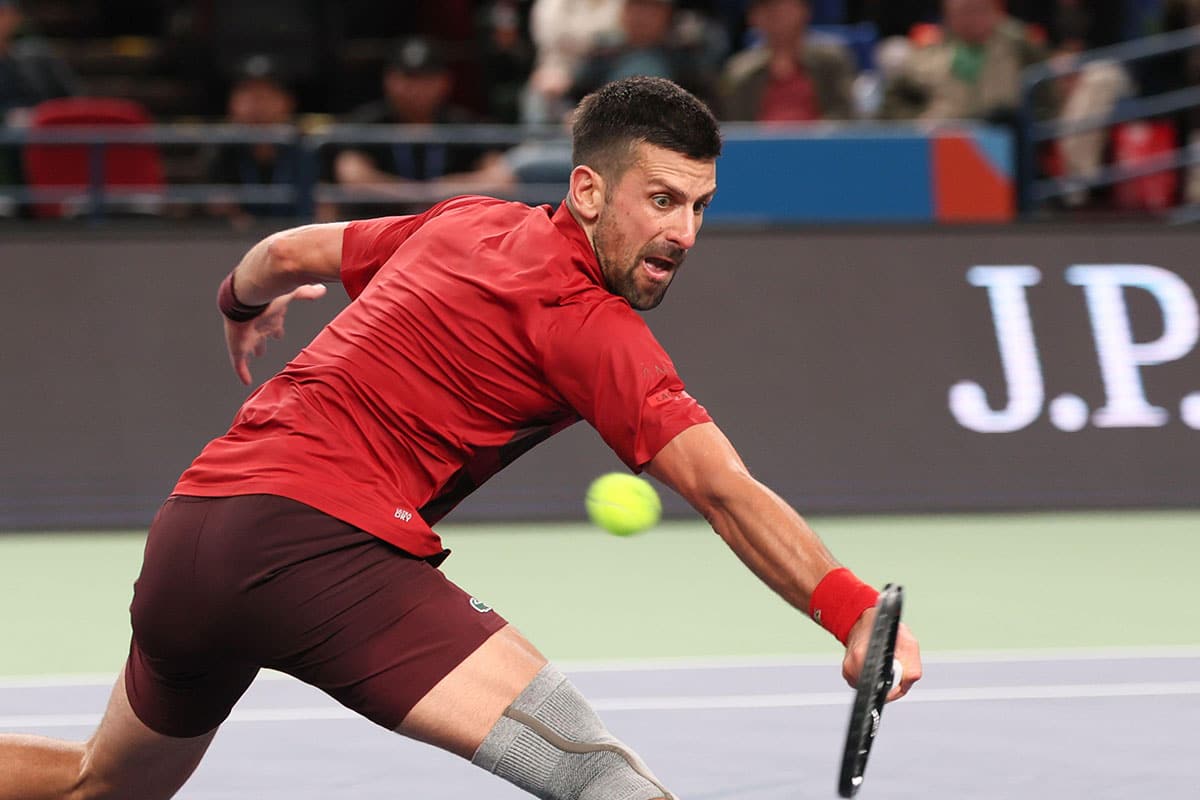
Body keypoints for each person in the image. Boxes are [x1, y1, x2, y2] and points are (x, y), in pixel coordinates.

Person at [0, 76, 921, 800]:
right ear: (589, 191)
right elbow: (723, 489)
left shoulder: (464, 221)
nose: (683, 231)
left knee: (101, 783)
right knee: (603, 781)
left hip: (192, 531)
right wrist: (850, 611)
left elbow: (282, 256)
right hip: (317, 546)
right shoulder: (589, 325)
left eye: (700, 206)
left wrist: (239, 304)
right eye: (662, 200)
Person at [202, 54, 304, 228]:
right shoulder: (220, 150)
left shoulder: (305, 149)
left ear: (288, 102)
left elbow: (321, 211)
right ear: (232, 104)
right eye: (248, 94)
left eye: (266, 94)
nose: (257, 104)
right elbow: (218, 205)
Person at [718, 0, 858, 122]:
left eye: (783, 5)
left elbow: (845, 115)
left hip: (823, 149)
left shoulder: (832, 62)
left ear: (804, 10)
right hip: (759, 151)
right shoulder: (739, 72)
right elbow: (735, 127)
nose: (776, 13)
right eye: (767, 7)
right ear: (753, 17)